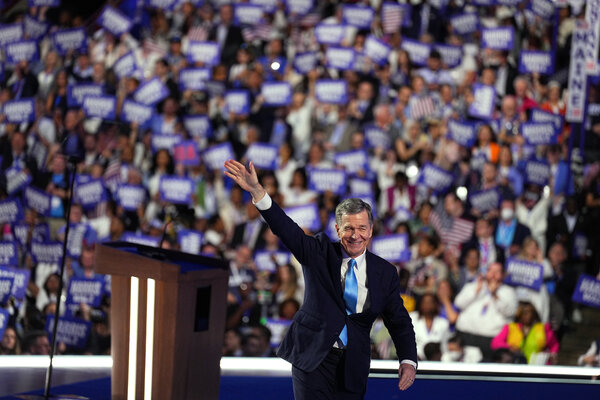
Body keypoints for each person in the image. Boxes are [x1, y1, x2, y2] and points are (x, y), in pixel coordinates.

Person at [224, 159, 417, 399]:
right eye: (348, 228)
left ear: (371, 229)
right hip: (313, 357)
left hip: (352, 365)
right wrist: (257, 192)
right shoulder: (319, 252)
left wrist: (408, 359)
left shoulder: (385, 272)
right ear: (337, 229)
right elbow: (287, 229)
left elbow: (399, 320)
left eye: (361, 228)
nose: (355, 235)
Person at [454, 262, 518, 360]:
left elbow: (510, 312)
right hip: (465, 336)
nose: (493, 274)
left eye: (497, 272)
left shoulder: (509, 292)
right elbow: (459, 303)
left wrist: (494, 294)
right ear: (486, 272)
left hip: (490, 340)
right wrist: (476, 291)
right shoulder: (473, 286)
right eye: (491, 271)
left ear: (503, 275)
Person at [491, 302, 559, 365]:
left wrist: (552, 355)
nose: (529, 315)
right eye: (525, 313)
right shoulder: (510, 328)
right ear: (520, 314)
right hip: (515, 364)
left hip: (537, 365)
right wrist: (510, 347)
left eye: (531, 312)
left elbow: (554, 345)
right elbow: (495, 343)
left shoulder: (543, 329)